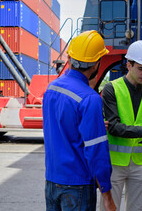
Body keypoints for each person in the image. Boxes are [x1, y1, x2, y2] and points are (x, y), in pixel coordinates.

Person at [43, 30, 116, 211]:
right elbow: (96, 150)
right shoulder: (90, 98)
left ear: (70, 58)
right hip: (77, 185)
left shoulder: (51, 89)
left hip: (52, 181)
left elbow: (61, 129)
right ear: (96, 64)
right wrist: (106, 194)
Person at [102, 40, 142, 211]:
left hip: (140, 163)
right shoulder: (111, 89)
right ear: (129, 65)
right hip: (115, 163)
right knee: (109, 208)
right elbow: (114, 127)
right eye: (141, 68)